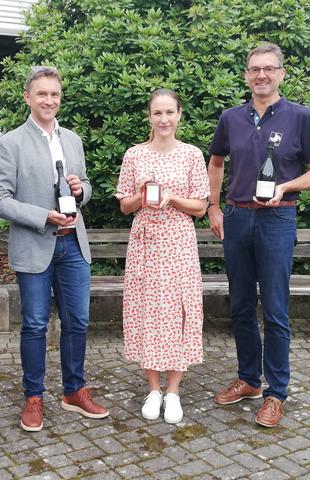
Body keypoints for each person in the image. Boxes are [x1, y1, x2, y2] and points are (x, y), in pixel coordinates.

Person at [208, 43, 310, 428]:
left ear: (281, 73)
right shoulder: (231, 117)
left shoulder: (300, 117)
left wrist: (286, 185)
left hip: (278, 219)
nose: (261, 75)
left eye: (269, 69)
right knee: (241, 306)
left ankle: (276, 392)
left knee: (275, 310)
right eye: (255, 69)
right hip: (238, 218)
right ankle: (248, 380)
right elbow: (216, 161)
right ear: (246, 75)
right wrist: (213, 206)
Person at [0, 66, 109, 432]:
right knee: (36, 325)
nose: (49, 100)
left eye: (54, 94)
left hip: (74, 245)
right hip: (36, 245)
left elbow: (86, 185)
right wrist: (43, 216)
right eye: (41, 94)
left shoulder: (72, 139)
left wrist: (80, 190)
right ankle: (34, 396)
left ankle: (74, 390)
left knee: (78, 322)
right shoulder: (10, 143)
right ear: (27, 96)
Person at [115, 88, 210, 424]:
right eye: (158, 113)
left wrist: (171, 197)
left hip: (178, 244)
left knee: (178, 312)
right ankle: (153, 389)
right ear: (149, 116)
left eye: (170, 112)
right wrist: (142, 196)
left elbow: (200, 206)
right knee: (148, 311)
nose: (164, 119)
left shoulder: (192, 155)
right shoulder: (134, 155)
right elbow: (124, 205)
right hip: (145, 243)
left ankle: (174, 391)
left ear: (180, 114)